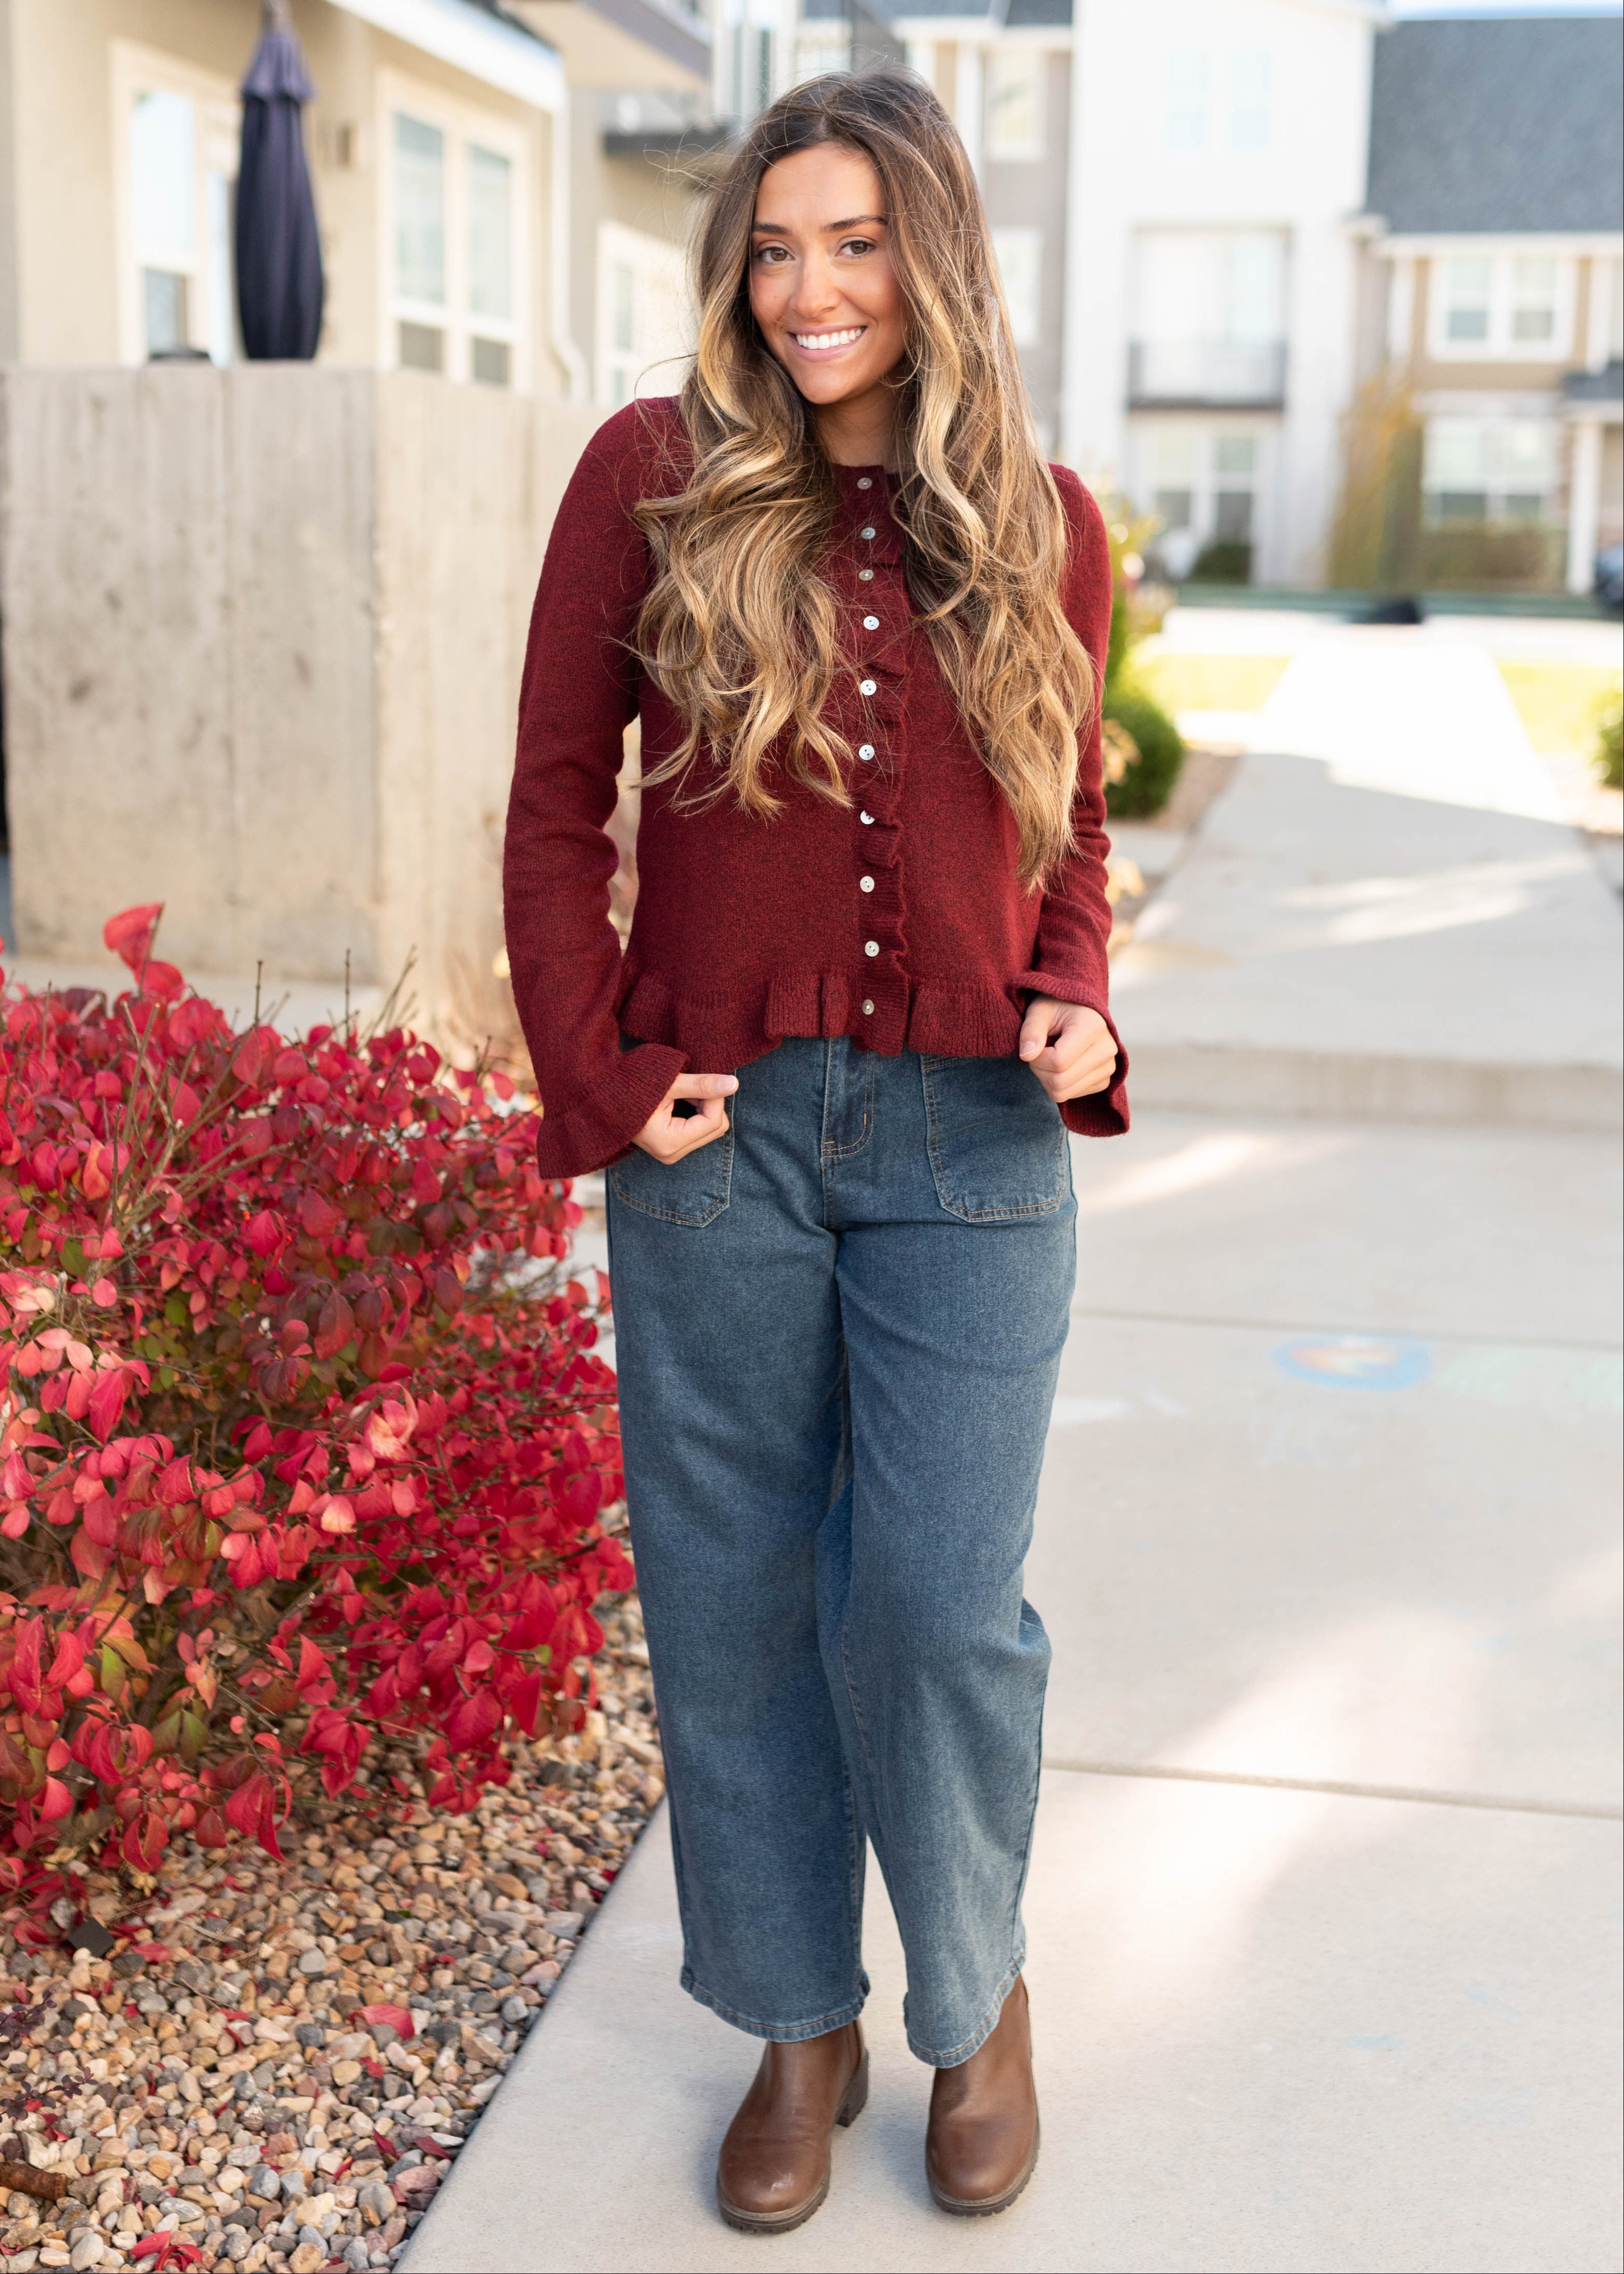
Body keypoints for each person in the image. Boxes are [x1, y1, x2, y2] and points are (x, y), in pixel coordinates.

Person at [504, 67, 1127, 2233]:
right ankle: (798, 2020)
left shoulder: (1043, 518)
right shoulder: (650, 479)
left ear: (932, 256)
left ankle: (974, 2005)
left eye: (856, 243)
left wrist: (1074, 985)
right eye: (776, 246)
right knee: (739, 1607)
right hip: (723, 1145)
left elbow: (1073, 807)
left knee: (942, 1610)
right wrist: (597, 1072)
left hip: (971, 1140)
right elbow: (552, 796)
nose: (809, 289)